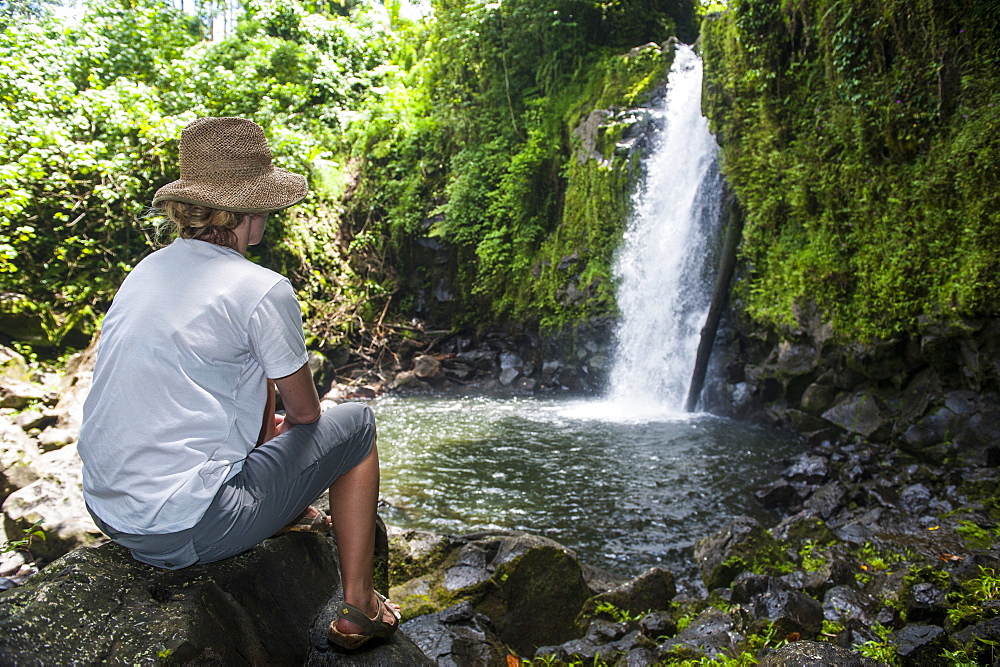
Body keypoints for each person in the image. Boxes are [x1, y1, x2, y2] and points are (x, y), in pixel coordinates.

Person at [77, 117, 399, 649]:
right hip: (183, 526)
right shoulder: (260, 288)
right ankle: (360, 606)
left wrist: (264, 434)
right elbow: (306, 414)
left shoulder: (147, 271)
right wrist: (279, 432)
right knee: (358, 426)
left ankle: (281, 512)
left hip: (111, 510)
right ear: (252, 213)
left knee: (264, 423)